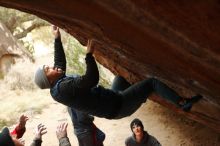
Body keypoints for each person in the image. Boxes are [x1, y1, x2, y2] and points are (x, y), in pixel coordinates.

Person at [34, 25, 202, 119]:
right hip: (117, 106)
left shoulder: (57, 84)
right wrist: (89, 56)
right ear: (48, 81)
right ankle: (183, 103)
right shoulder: (63, 89)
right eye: (47, 70)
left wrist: (57, 39)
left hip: (110, 98)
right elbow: (91, 80)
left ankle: (139, 95)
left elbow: (59, 64)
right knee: (152, 82)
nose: (51, 67)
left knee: (121, 79)